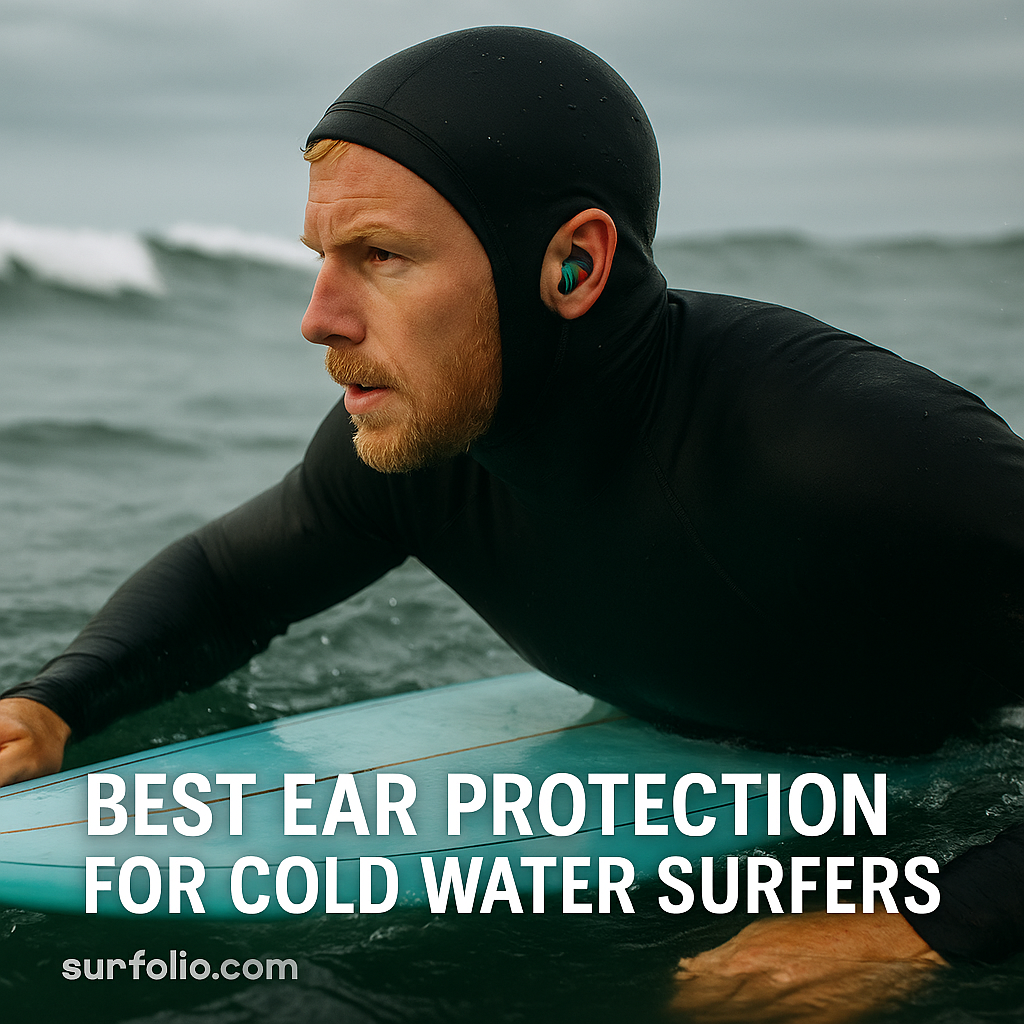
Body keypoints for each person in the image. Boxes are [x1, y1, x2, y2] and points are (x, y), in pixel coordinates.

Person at [1, 25, 1022, 1019]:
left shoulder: (842, 443)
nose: (318, 316)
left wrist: (933, 924)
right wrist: (53, 705)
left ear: (571, 266)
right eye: (320, 256)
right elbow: (229, 582)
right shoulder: (424, 442)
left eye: (380, 256)